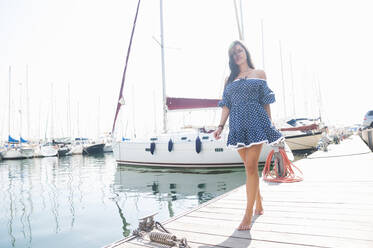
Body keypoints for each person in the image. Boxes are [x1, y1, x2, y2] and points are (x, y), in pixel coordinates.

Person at [213, 40, 284, 231]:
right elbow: (226, 104)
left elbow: (266, 100)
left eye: (239, 50)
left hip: (256, 121)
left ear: (245, 52)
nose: (237, 54)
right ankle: (259, 202)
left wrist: (269, 122)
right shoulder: (229, 80)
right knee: (248, 167)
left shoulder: (259, 74)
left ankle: (248, 213)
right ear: (231, 58)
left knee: (251, 167)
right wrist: (220, 126)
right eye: (233, 53)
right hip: (237, 123)